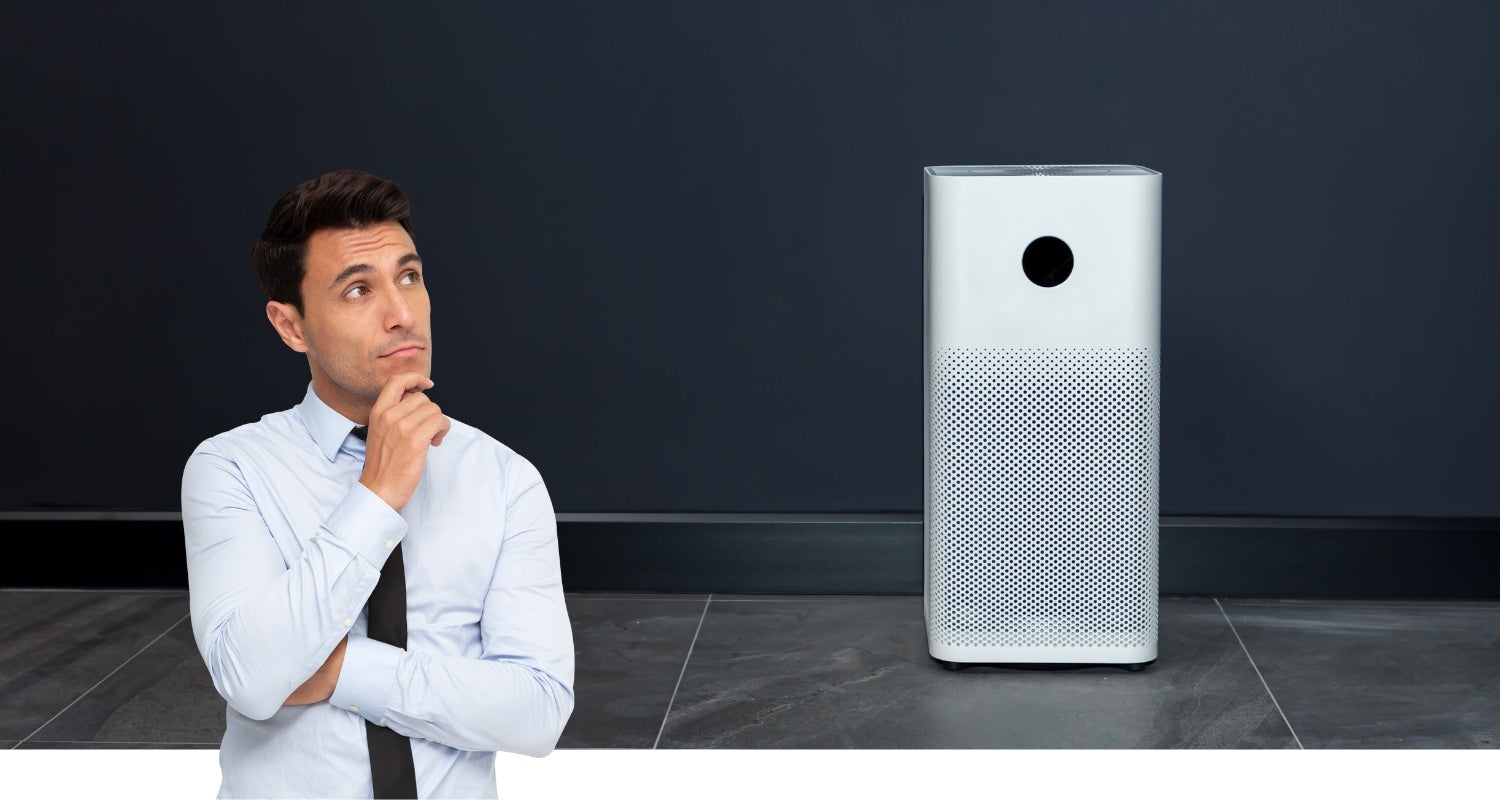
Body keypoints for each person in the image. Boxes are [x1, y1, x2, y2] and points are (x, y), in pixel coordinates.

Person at [181, 169, 574, 798]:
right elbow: (252, 678)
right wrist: (377, 495)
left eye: (409, 277)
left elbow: (538, 713)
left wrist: (334, 669)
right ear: (291, 326)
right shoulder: (231, 469)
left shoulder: (505, 479)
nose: (401, 315)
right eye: (358, 290)